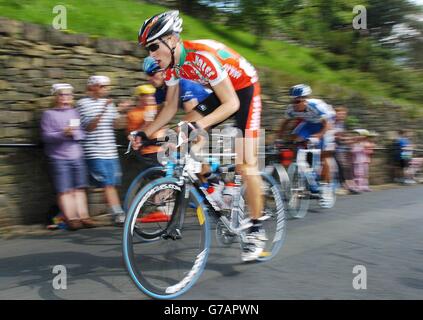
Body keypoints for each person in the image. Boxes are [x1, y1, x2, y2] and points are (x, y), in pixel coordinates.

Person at [135, 10, 266, 262]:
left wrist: (200, 125)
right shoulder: (172, 68)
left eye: (153, 47)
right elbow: (170, 109)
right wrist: (144, 132)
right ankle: (211, 180)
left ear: (172, 40)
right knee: (181, 129)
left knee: (245, 163)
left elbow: (231, 104)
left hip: (245, 89)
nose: (151, 55)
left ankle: (256, 229)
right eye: (147, 50)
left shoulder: (201, 56)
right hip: (221, 89)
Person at [41, 83, 95, 231]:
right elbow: (46, 136)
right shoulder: (49, 114)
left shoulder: (74, 112)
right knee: (65, 190)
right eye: (61, 94)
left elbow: (82, 134)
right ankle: (72, 219)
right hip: (58, 157)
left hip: (76, 155)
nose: (65, 97)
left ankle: (84, 217)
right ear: (56, 97)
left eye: (68, 95)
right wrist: (62, 134)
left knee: (79, 188)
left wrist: (74, 133)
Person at [76, 76, 126, 225]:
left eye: (107, 86)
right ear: (93, 87)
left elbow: (116, 126)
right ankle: (118, 213)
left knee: (112, 183)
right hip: (94, 150)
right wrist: (104, 109)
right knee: (107, 184)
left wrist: (122, 112)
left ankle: (113, 212)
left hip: (110, 149)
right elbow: (89, 127)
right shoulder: (82, 104)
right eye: (103, 86)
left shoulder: (109, 104)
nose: (106, 89)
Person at [278, 84, 336, 207]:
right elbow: (285, 123)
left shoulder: (316, 106)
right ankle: (300, 172)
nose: (295, 103)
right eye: (293, 100)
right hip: (309, 124)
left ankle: (326, 189)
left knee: (323, 154)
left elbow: (327, 125)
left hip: (325, 125)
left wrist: (318, 136)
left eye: (298, 101)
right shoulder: (291, 108)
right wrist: (279, 138)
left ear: (305, 100)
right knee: (294, 139)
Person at [333, 106, 359, 194]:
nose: (342, 115)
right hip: (333, 147)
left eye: (344, 114)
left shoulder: (342, 123)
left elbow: (341, 136)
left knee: (346, 166)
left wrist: (348, 139)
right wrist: (341, 137)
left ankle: (348, 185)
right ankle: (345, 185)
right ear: (336, 113)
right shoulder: (332, 122)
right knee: (342, 166)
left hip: (341, 148)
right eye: (340, 113)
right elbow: (333, 134)